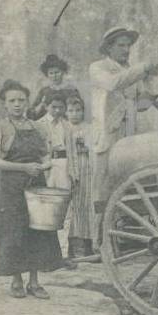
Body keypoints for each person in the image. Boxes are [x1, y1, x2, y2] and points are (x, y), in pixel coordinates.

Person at [0, 80, 63, 299]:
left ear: (28, 102)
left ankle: (35, 282)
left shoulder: (38, 127)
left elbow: (47, 156)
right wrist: (23, 167)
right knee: (13, 232)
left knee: (37, 231)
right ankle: (16, 280)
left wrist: (44, 166)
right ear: (5, 104)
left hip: (36, 185)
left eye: (21, 100)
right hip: (11, 188)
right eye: (12, 101)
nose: (17, 104)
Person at [89, 26, 158, 244]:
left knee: (128, 184)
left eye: (128, 45)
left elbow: (142, 102)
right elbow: (114, 83)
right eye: (121, 45)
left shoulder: (130, 70)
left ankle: (120, 238)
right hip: (107, 136)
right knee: (102, 187)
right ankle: (96, 241)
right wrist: (142, 68)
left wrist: (157, 84)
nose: (126, 50)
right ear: (109, 47)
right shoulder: (98, 68)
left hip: (129, 135)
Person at [62, 95, 93, 258]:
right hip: (69, 166)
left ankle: (87, 244)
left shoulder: (88, 128)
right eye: (71, 111)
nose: (74, 114)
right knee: (71, 207)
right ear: (66, 113)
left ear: (83, 112)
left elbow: (92, 147)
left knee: (86, 205)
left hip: (86, 166)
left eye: (78, 110)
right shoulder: (65, 128)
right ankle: (70, 246)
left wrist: (85, 147)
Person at [28, 54, 80, 120]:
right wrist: (41, 105)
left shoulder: (71, 90)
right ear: (47, 75)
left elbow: (78, 110)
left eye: (57, 72)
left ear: (62, 72)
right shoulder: (44, 91)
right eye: (51, 73)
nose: (54, 76)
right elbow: (32, 114)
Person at [37, 91, 70, 191]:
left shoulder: (66, 124)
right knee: (48, 192)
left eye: (61, 107)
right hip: (46, 163)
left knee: (64, 192)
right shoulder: (39, 125)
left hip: (64, 164)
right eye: (54, 107)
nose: (57, 110)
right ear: (46, 107)